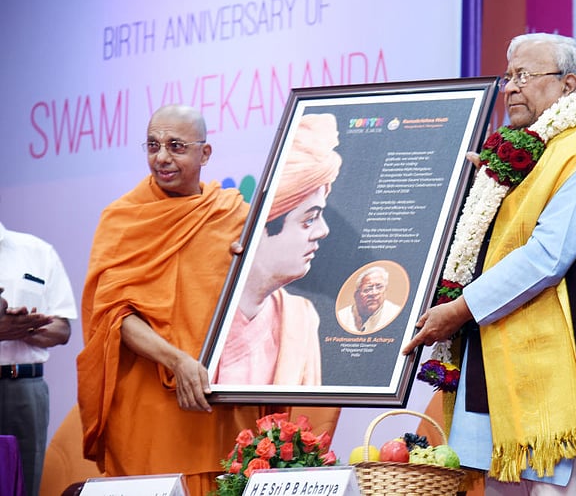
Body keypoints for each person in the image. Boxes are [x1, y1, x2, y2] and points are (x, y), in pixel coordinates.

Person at [402, 33, 576, 494]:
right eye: (509, 76)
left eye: (524, 75)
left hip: (560, 371)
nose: (509, 87)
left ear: (567, 85)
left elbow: (546, 258)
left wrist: (459, 310)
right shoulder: (518, 157)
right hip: (496, 361)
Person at [76, 105, 270, 494]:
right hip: (150, 409)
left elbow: (269, 302)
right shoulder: (124, 219)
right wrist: (176, 360)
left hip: (220, 406)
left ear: (205, 153)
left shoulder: (234, 215)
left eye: (176, 146)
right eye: (153, 145)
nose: (161, 157)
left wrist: (257, 264)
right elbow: (112, 317)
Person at [213, 113, 341, 386]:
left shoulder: (301, 317)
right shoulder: (205, 309)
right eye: (308, 219)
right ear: (261, 228)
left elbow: (308, 423)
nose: (323, 231)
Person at [0, 224, 76, 496]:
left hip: (25, 387)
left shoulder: (37, 251)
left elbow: (62, 329)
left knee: (25, 484)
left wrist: (22, 326)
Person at [336, 265, 402, 334]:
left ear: (385, 291)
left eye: (379, 287)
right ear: (356, 295)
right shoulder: (342, 316)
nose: (374, 293)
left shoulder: (395, 313)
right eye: (368, 289)